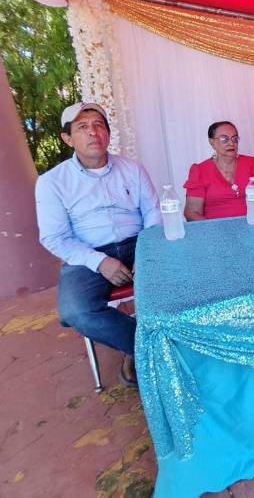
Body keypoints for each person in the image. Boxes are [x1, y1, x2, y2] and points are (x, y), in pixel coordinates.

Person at [35, 102, 161, 388]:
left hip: (138, 244)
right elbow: (55, 237)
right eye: (83, 127)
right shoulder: (52, 183)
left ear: (107, 133)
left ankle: (177, 342)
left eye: (98, 125)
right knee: (75, 311)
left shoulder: (133, 169)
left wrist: (147, 253)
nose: (93, 132)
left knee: (186, 277)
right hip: (88, 253)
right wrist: (100, 262)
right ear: (67, 138)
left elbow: (152, 213)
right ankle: (141, 347)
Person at [184, 121, 254, 220]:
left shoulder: (251, 163)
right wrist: (214, 232)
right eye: (224, 139)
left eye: (235, 139)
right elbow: (192, 212)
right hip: (216, 229)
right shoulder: (200, 170)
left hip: (252, 225)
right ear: (212, 142)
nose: (231, 143)